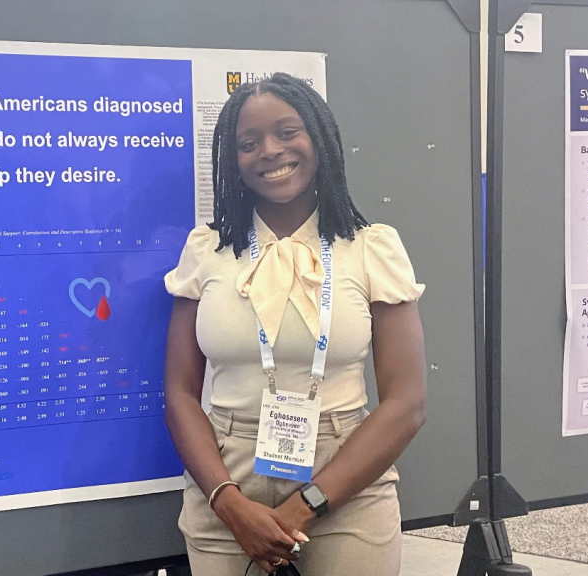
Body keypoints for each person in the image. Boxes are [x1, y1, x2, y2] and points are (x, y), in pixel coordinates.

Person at [163, 73, 427, 576]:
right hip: (226, 478)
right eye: (248, 142)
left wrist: (302, 507)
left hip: (346, 478)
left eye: (287, 132)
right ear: (232, 161)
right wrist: (228, 503)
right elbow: (178, 392)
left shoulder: (373, 247)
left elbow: (407, 403)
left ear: (320, 139)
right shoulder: (208, 249)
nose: (269, 150)